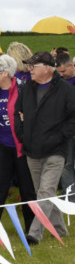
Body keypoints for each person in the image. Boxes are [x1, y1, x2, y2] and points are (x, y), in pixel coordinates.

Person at [15, 51, 75, 245]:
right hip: (32, 150)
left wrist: (58, 137)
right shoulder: (27, 89)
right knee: (44, 192)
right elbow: (18, 113)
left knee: (46, 190)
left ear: (47, 68)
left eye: (34, 66)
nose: (29, 69)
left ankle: (35, 233)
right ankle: (60, 229)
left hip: (56, 150)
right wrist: (23, 134)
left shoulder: (66, 90)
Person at [0, 55, 36, 235]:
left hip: (22, 147)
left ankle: (32, 229)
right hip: (1, 146)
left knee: (27, 190)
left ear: (5, 73)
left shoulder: (23, 89)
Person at [55, 53, 75, 206]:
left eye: (63, 71)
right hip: (66, 130)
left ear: (71, 66)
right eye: (59, 72)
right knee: (67, 164)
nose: (61, 75)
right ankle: (69, 197)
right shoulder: (59, 84)